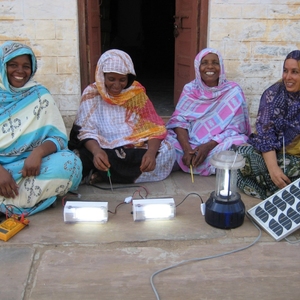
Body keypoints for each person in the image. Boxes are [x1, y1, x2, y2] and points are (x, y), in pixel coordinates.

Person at [68, 49, 175, 184]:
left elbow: (154, 129)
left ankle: (104, 175)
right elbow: (84, 131)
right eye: (111, 79)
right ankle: (110, 174)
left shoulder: (136, 93)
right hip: (102, 147)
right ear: (102, 76)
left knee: (168, 150)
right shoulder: (92, 93)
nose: (117, 85)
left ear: (129, 78)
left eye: (122, 80)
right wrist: (96, 152)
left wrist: (151, 153)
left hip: (131, 147)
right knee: (77, 157)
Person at [0, 41, 82, 215]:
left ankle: (8, 202)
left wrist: (37, 153)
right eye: (13, 65)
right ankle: (27, 201)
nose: (20, 71)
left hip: (27, 168)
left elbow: (59, 138)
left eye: (26, 66)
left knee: (71, 164)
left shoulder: (39, 95)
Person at [166, 48, 251, 176]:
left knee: (240, 141)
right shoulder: (190, 90)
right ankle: (194, 159)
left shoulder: (233, 91)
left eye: (215, 63)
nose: (210, 67)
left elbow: (237, 128)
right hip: (189, 142)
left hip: (217, 143)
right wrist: (187, 149)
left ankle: (196, 162)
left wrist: (207, 146)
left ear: (221, 66)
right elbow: (179, 121)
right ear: (197, 67)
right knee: (167, 141)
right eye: (204, 63)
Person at [237, 50, 300, 199]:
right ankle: (287, 192)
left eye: (295, 72)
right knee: (242, 159)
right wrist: (274, 170)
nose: (288, 77)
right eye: (285, 71)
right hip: (274, 157)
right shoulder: (272, 95)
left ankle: (276, 192)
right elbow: (266, 136)